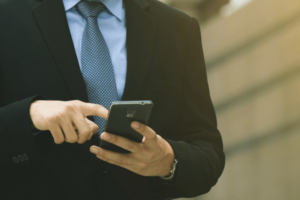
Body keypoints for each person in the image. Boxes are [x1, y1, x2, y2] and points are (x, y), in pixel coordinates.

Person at [0, 0, 225, 199]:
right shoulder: (6, 17)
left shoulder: (178, 28)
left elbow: (208, 154)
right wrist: (28, 114)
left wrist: (168, 160)